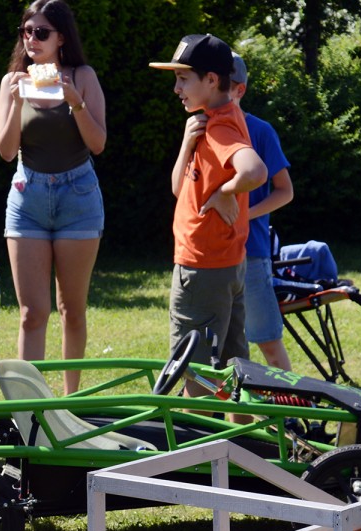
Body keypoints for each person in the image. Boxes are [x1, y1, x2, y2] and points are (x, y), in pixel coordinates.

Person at [0, 0, 106, 395]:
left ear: (61, 38)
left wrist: (73, 99)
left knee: (71, 309)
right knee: (31, 313)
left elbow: (98, 143)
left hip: (78, 196)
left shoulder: (82, 76)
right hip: (29, 197)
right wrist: (18, 100)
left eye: (41, 32)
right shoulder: (12, 81)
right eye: (27, 31)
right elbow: (7, 151)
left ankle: (71, 397)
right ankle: (32, 404)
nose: (32, 39)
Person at [149, 33, 267, 368]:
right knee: (235, 371)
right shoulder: (211, 122)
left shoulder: (220, 128)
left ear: (212, 80)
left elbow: (255, 171)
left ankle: (193, 424)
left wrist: (224, 192)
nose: (176, 89)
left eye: (183, 79)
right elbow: (178, 189)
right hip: (225, 265)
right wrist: (187, 144)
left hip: (202, 269)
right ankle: (240, 423)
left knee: (194, 374)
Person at [230, 52, 294, 371]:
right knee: (226, 350)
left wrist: (247, 213)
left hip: (251, 253)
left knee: (268, 343)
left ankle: (291, 418)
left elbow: (285, 190)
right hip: (212, 256)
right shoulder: (199, 130)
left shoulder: (260, 131)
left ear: (239, 90)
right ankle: (229, 420)